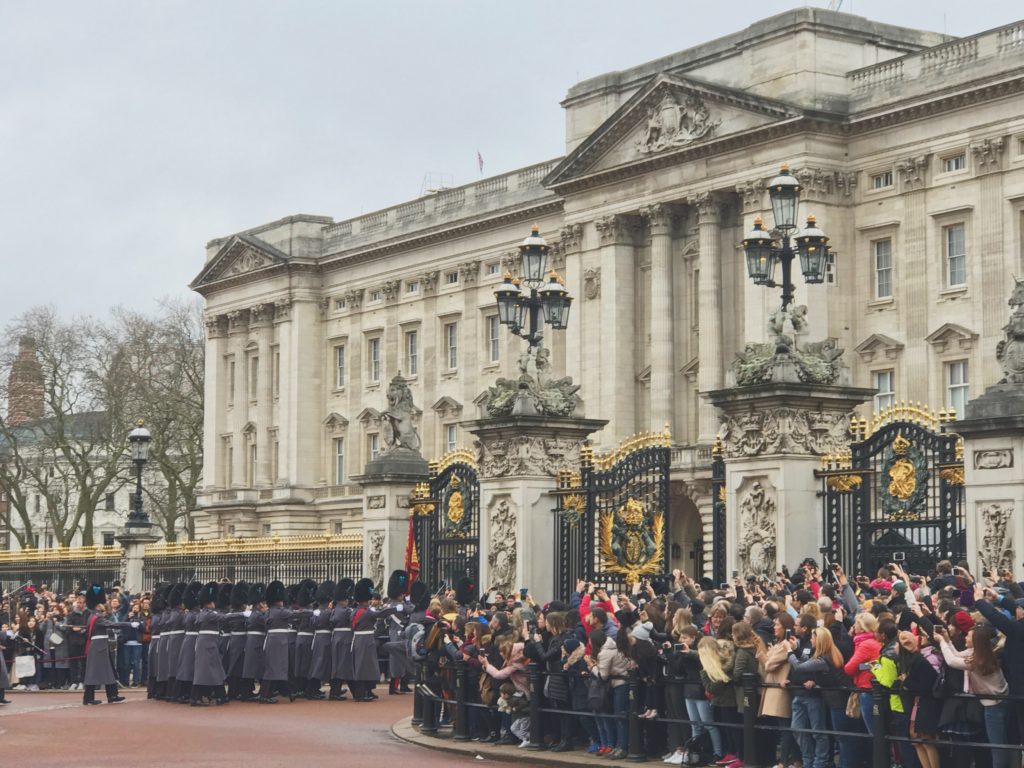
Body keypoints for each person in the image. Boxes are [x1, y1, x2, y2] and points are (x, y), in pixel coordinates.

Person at [936, 622, 1012, 768]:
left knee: (997, 745)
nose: (965, 638)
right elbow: (957, 655)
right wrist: (947, 640)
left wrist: (941, 642)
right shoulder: (980, 653)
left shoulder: (979, 660)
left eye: (968, 636)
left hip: (994, 706)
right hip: (996, 702)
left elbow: (952, 661)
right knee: (999, 743)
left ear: (976, 641)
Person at [81, 584, 139, 705]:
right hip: (98, 647)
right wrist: (129, 624)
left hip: (101, 646)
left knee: (109, 671)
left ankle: (112, 695)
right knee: (93, 673)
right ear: (98, 604)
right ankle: (88, 698)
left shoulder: (94, 616)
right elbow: (112, 625)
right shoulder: (97, 617)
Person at [190, 581, 228, 706]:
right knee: (204, 671)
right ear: (209, 602)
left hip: (209, 643)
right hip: (207, 644)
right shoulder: (208, 614)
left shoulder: (205, 613)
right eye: (212, 601)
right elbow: (225, 617)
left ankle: (220, 696)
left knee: (215, 669)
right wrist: (243, 615)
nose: (214, 603)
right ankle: (196, 698)